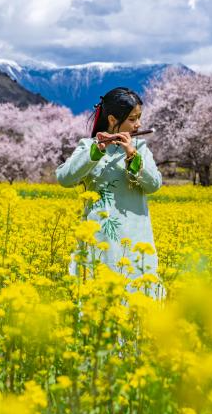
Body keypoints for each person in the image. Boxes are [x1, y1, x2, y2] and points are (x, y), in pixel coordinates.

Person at [55, 87, 166, 300]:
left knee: (136, 301)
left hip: (135, 239)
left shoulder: (140, 147)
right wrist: (97, 151)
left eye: (139, 118)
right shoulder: (89, 147)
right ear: (113, 119)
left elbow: (154, 185)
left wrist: (132, 156)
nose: (138, 125)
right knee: (97, 302)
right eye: (133, 119)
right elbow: (65, 178)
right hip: (99, 238)